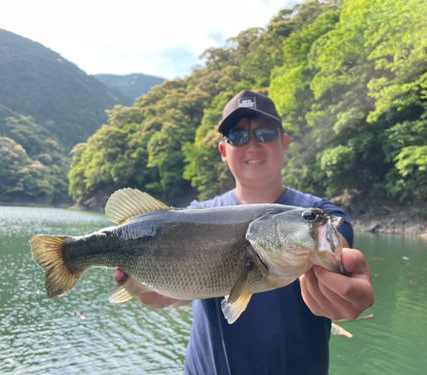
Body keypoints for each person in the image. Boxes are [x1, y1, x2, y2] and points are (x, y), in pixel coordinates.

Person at [115, 90, 375, 374]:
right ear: (224, 152)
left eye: (264, 133)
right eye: (238, 137)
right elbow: (175, 295)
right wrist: (150, 288)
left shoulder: (322, 214)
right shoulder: (193, 215)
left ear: (284, 143)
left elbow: (340, 253)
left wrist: (340, 283)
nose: (252, 144)